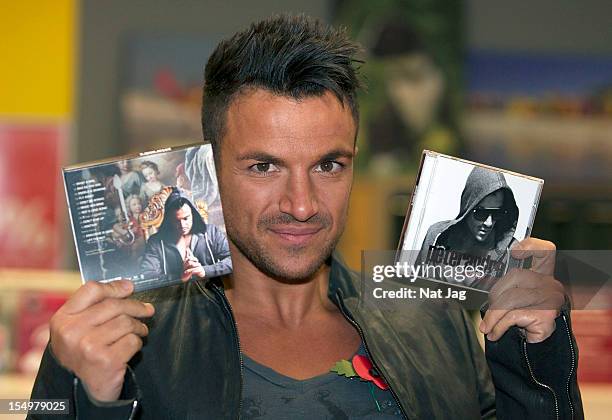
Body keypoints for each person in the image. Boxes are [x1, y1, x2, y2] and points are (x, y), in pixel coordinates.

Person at [30, 15, 582, 419]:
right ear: (208, 170)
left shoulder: (435, 324)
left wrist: (537, 357)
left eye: (327, 164)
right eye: (264, 166)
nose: (301, 203)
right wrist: (81, 393)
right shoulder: (132, 339)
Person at [415, 167, 521, 290]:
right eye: (481, 213)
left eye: (497, 214)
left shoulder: (512, 252)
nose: (489, 223)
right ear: (468, 207)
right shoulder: (437, 236)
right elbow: (416, 288)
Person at [140, 188, 232, 281]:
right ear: (169, 219)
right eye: (176, 220)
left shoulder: (212, 232)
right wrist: (180, 277)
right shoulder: (155, 242)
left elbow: (232, 260)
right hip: (175, 294)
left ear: (193, 214)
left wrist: (204, 271)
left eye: (186, 218)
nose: (182, 225)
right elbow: (148, 275)